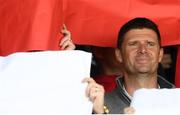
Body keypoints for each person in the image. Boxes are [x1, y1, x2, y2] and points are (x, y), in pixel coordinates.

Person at [83, 17, 175, 114]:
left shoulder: (176, 100)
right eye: (133, 44)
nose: (143, 50)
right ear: (119, 55)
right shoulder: (98, 105)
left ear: (160, 54)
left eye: (150, 44)